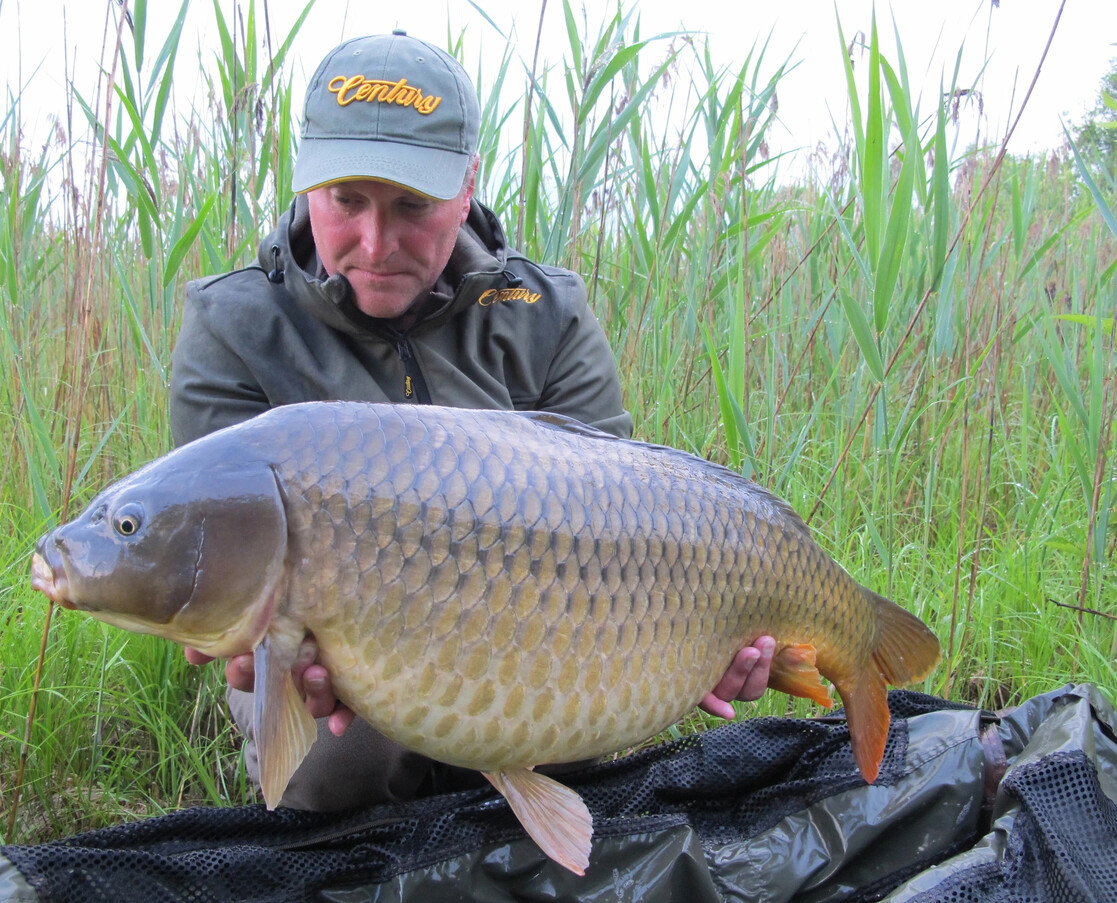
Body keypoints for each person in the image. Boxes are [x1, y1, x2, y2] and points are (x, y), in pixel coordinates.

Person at [170, 31, 776, 812]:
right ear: (306, 182)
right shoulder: (235, 324)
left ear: (467, 187)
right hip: (348, 661)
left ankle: (535, 814)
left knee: (578, 726)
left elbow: (619, 539)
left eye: (412, 206)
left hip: (536, 632)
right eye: (345, 201)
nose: (375, 243)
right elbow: (217, 555)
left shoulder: (544, 314)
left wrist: (686, 648)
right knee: (342, 749)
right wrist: (250, 639)